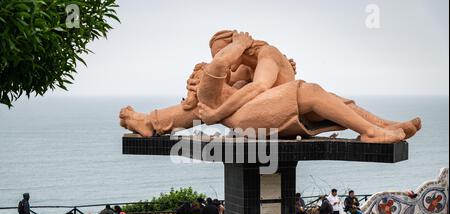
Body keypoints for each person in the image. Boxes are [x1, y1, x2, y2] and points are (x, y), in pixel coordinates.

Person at [120, 30, 421, 144]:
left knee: (331, 99)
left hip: (265, 115)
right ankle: (371, 130)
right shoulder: (228, 73)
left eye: (221, 53)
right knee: (313, 92)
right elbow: (237, 87)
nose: (227, 63)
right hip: (256, 117)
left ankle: (383, 125)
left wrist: (214, 113)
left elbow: (256, 89)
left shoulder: (263, 57)